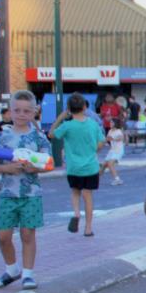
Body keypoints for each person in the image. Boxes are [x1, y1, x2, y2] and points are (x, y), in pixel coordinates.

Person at [0, 90, 52, 290]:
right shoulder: (3, 136)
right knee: (3, 236)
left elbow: (49, 163)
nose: (21, 114)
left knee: (27, 235)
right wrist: (7, 168)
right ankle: (11, 269)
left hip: (31, 194)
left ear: (34, 112)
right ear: (10, 111)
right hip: (8, 194)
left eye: (26, 111)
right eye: (17, 110)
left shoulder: (38, 137)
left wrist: (35, 168)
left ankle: (28, 274)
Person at [50, 94, 105, 236]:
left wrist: (60, 118)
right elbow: (101, 142)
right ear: (85, 107)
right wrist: (94, 149)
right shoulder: (92, 124)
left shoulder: (67, 126)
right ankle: (88, 228)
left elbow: (51, 134)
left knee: (75, 191)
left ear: (69, 109)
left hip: (73, 167)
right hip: (91, 166)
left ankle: (76, 213)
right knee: (88, 196)